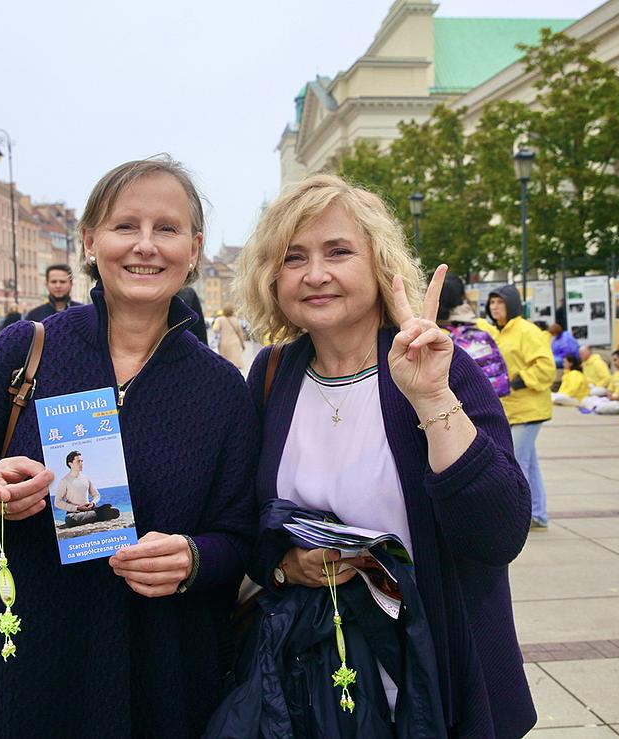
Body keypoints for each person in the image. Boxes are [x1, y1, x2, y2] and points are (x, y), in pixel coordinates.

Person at [0, 156, 259, 737]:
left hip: (157, 667)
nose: (145, 246)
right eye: (126, 227)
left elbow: (241, 537)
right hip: (17, 658)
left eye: (167, 229)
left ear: (194, 249)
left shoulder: (221, 388)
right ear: (91, 241)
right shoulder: (27, 349)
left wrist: (194, 558)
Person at [234, 174, 536, 737]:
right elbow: (243, 518)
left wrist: (430, 397)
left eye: (339, 251)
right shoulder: (272, 376)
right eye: (293, 257)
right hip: (318, 687)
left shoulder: (440, 368)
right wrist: (280, 565)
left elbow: (498, 534)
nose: (315, 274)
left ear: (379, 263)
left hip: (433, 682)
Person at [486, 285, 555, 531]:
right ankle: (538, 514)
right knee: (530, 464)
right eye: (492, 303)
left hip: (529, 408)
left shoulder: (527, 331)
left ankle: (520, 518)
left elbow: (546, 366)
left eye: (500, 302)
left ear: (512, 304)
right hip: (512, 409)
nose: (495, 307)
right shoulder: (498, 332)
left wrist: (520, 379)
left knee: (518, 463)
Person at [437, 272, 509, 397]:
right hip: (488, 401)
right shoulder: (482, 326)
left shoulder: (429, 333)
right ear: (463, 296)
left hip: (450, 405)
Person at [53, 451, 120, 527]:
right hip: (74, 513)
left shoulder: (86, 478)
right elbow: (57, 502)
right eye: (78, 461)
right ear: (70, 464)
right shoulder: (64, 481)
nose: (81, 463)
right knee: (70, 519)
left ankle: (93, 515)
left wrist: (93, 503)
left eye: (82, 461)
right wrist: (77, 507)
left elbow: (96, 495)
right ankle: (97, 514)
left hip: (89, 509)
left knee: (115, 511)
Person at [581, 349, 619, 414]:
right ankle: (595, 407)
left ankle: (595, 407)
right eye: (613, 360)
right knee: (585, 400)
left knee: (603, 407)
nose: (614, 363)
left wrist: (616, 398)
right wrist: (610, 395)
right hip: (612, 400)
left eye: (615, 360)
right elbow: (610, 390)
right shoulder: (616, 373)